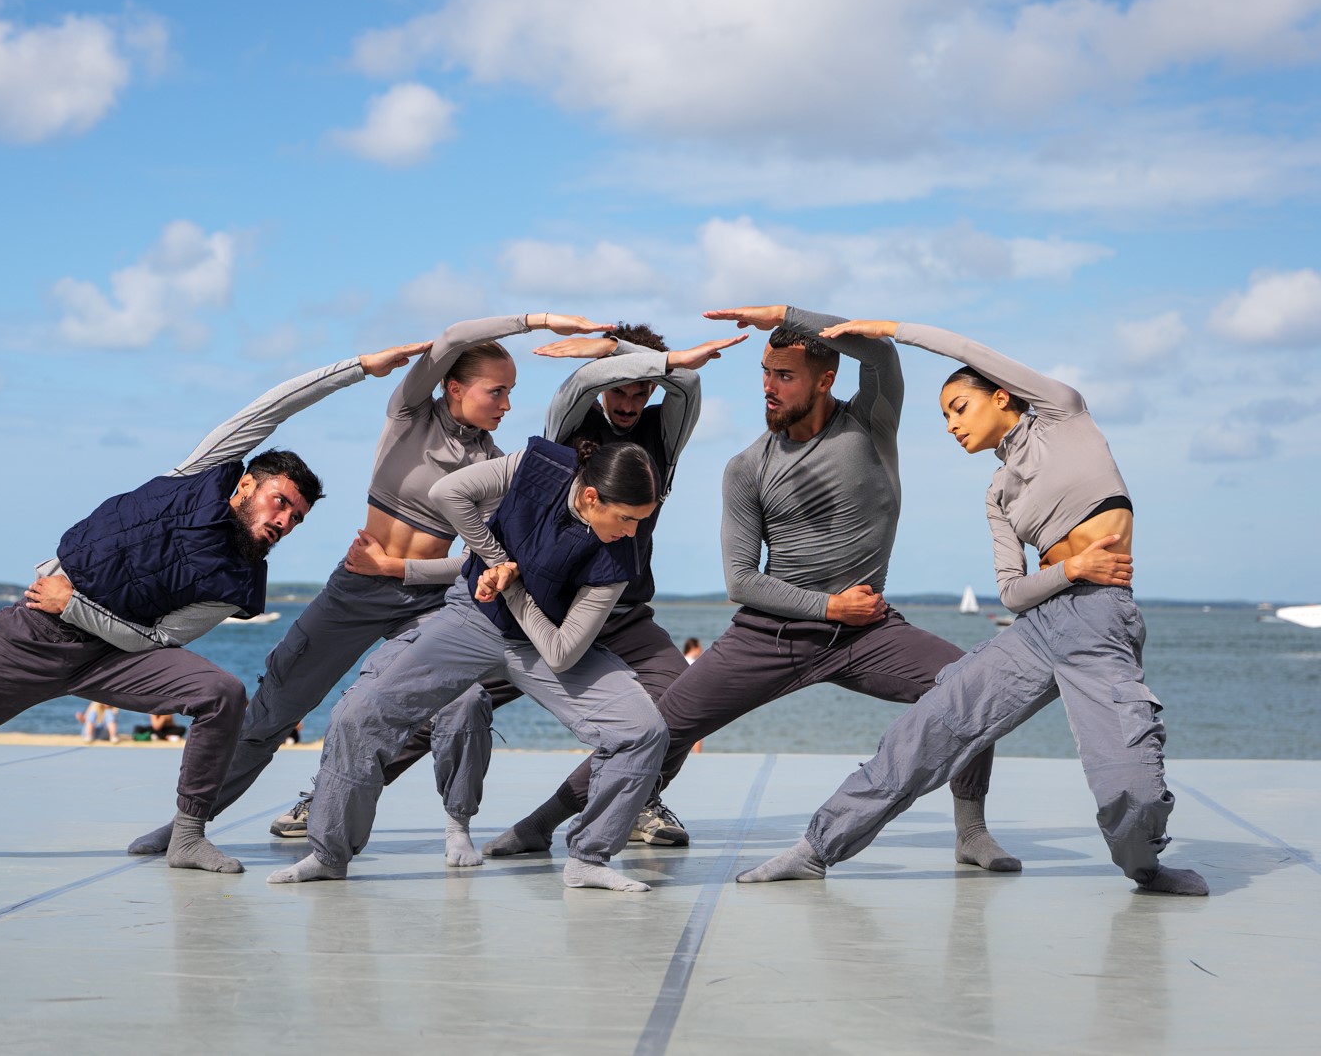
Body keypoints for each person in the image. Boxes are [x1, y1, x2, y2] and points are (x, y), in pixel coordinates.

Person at [0, 341, 425, 872]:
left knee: (221, 690)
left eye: (296, 520)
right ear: (247, 484)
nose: (283, 522)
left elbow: (153, 641)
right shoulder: (203, 472)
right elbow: (274, 406)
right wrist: (361, 367)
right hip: (31, 636)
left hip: (109, 652)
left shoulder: (237, 584)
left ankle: (187, 835)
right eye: (281, 503)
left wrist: (74, 604)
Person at [493, 304, 1016, 873]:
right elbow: (740, 581)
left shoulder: (869, 423)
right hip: (771, 634)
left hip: (867, 632)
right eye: (765, 374)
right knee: (657, 730)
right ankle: (541, 823)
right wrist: (827, 604)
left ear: (825, 379)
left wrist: (787, 314)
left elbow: (882, 353)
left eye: (785, 376)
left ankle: (972, 831)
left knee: (970, 684)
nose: (769, 387)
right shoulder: (745, 468)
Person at [735, 318, 1206, 897]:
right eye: (944, 418)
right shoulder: (999, 491)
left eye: (959, 407)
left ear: (1002, 395)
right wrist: (1070, 569)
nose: (953, 425)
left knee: (1130, 781)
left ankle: (1145, 868)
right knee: (925, 730)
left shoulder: (1063, 415)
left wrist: (894, 330)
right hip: (1036, 629)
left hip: (1100, 621)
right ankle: (816, 848)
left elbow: (966, 349)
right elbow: (1012, 592)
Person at [127, 312, 612, 858]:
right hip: (353, 592)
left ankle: (458, 827)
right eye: (497, 391)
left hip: (429, 601)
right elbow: (452, 338)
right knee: (271, 711)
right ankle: (187, 824)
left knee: (466, 700)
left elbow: (490, 563)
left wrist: (398, 570)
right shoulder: (409, 415)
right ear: (455, 388)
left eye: (510, 394)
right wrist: (538, 321)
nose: (506, 405)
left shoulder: (494, 467)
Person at [268, 437, 668, 892]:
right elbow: (447, 493)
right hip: (470, 619)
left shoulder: (622, 553)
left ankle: (588, 859)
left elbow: (561, 652)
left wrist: (510, 586)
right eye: (627, 518)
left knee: (641, 730)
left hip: (542, 646)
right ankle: (328, 853)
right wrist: (496, 559)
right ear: (592, 497)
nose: (634, 531)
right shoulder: (537, 466)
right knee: (357, 716)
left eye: (643, 519)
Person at [444, 323, 741, 857]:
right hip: (536, 608)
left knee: (681, 703)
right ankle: (335, 788)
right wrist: (611, 356)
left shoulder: (662, 435)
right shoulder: (571, 424)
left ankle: (617, 806)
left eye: (641, 389)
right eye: (619, 387)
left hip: (621, 609)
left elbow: (689, 383)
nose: (629, 401)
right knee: (446, 697)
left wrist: (625, 354)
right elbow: (579, 382)